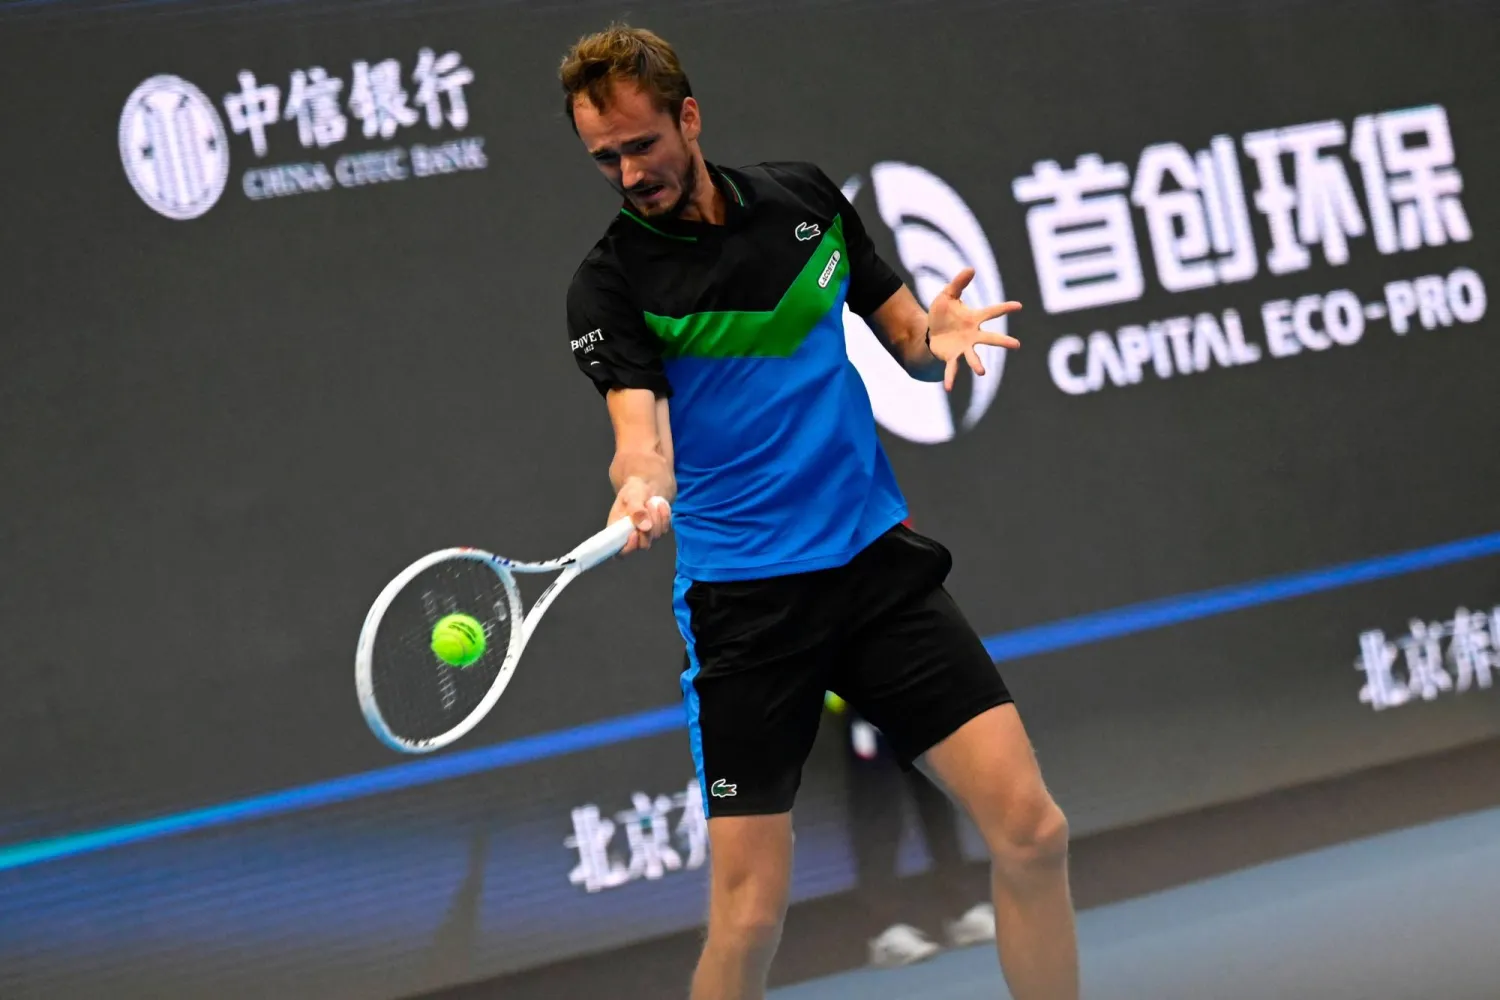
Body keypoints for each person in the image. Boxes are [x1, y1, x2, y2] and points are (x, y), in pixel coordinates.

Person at [558, 24, 1079, 1000]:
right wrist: (640, 482)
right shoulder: (612, 281)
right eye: (606, 157)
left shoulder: (803, 201)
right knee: (750, 920)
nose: (630, 172)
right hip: (748, 612)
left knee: (1034, 830)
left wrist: (939, 331)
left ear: (690, 117)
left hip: (875, 570)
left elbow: (908, 336)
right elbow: (640, 433)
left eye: (643, 145)